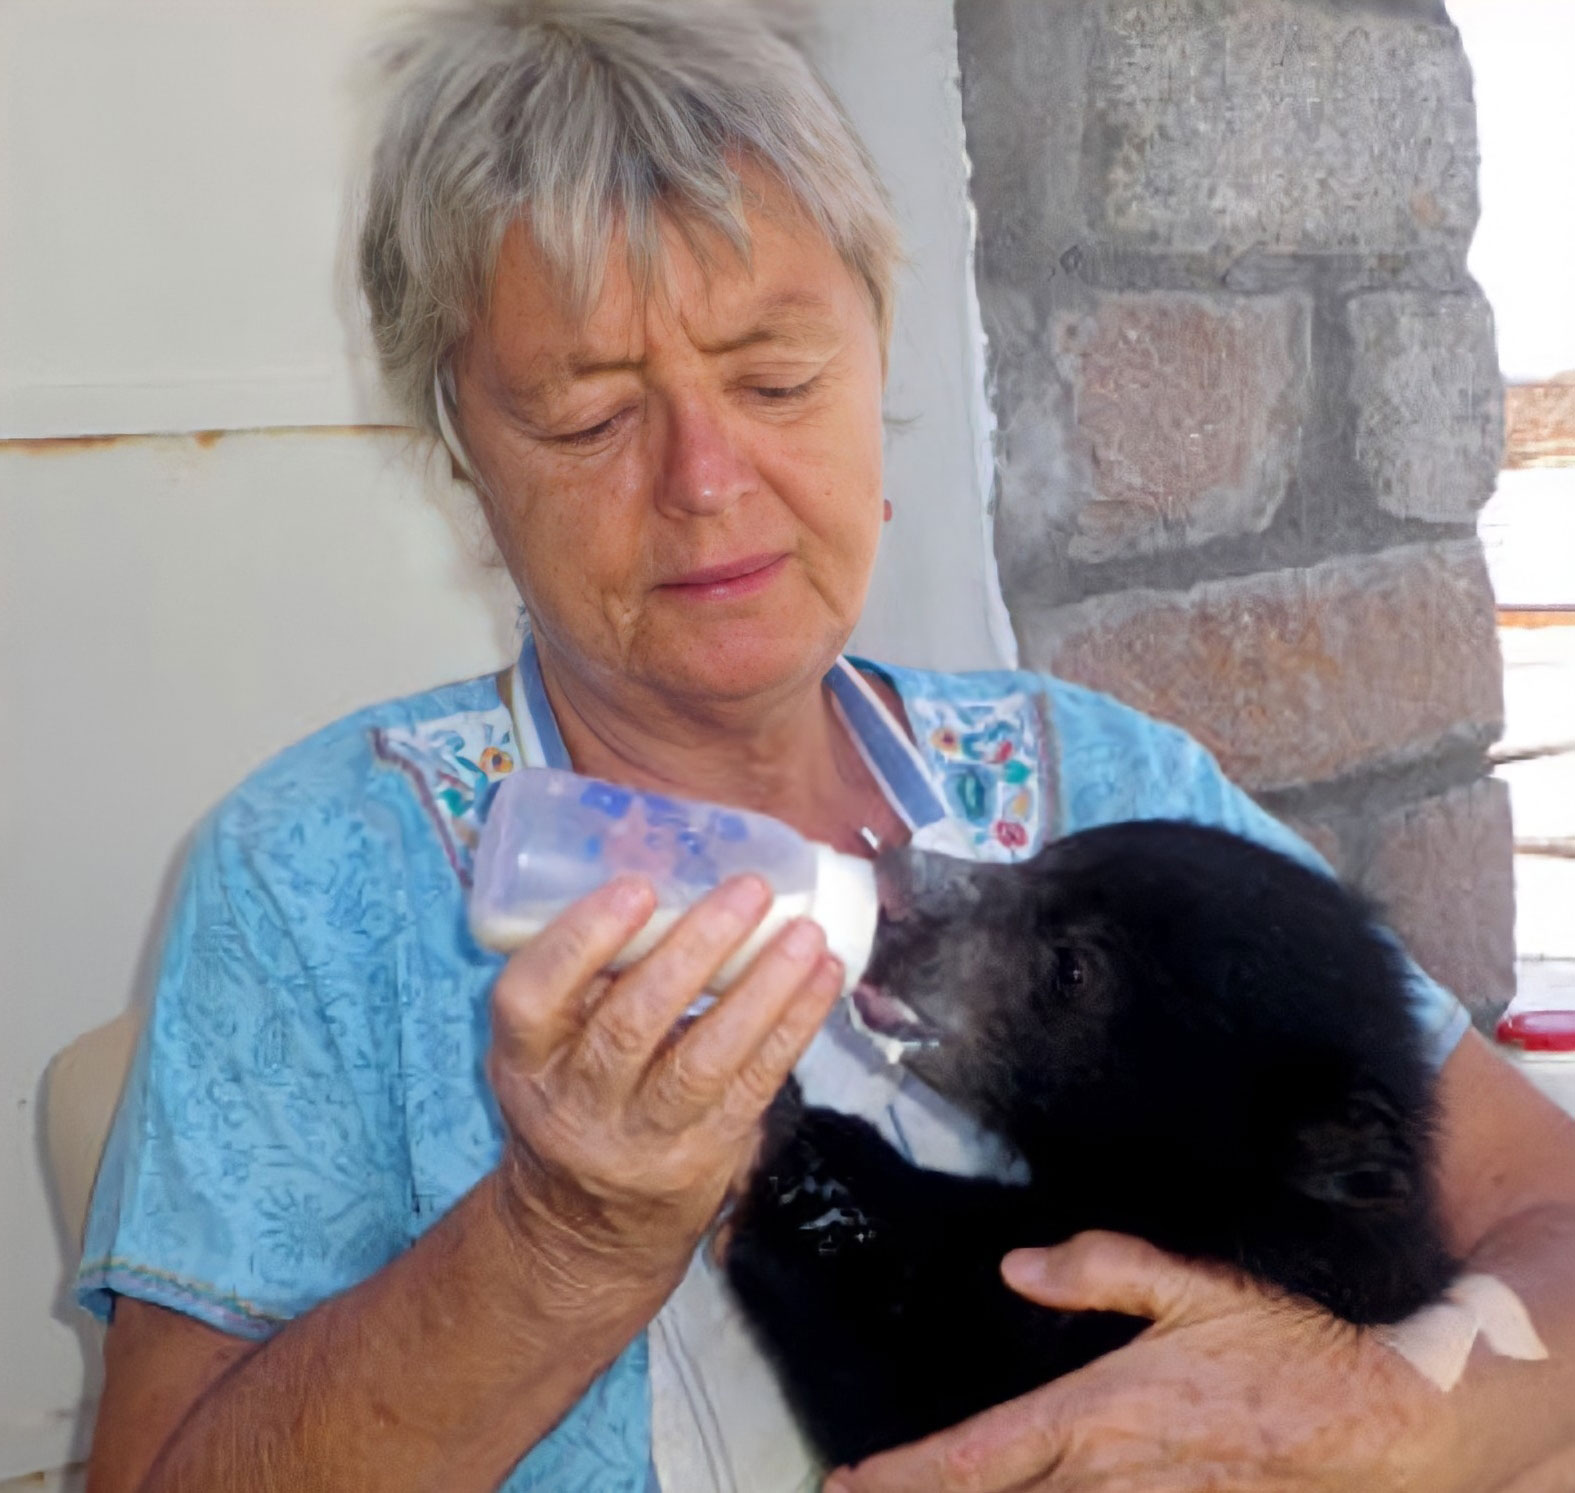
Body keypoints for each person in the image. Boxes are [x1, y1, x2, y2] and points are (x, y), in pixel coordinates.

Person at [79, 2, 1575, 1489]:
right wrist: (561, 1239)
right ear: (467, 463)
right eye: (590, 417)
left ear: (879, 374)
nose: (705, 480)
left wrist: (1396, 1413)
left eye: (778, 379)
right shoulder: (316, 884)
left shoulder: (1114, 796)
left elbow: (1552, 1213)